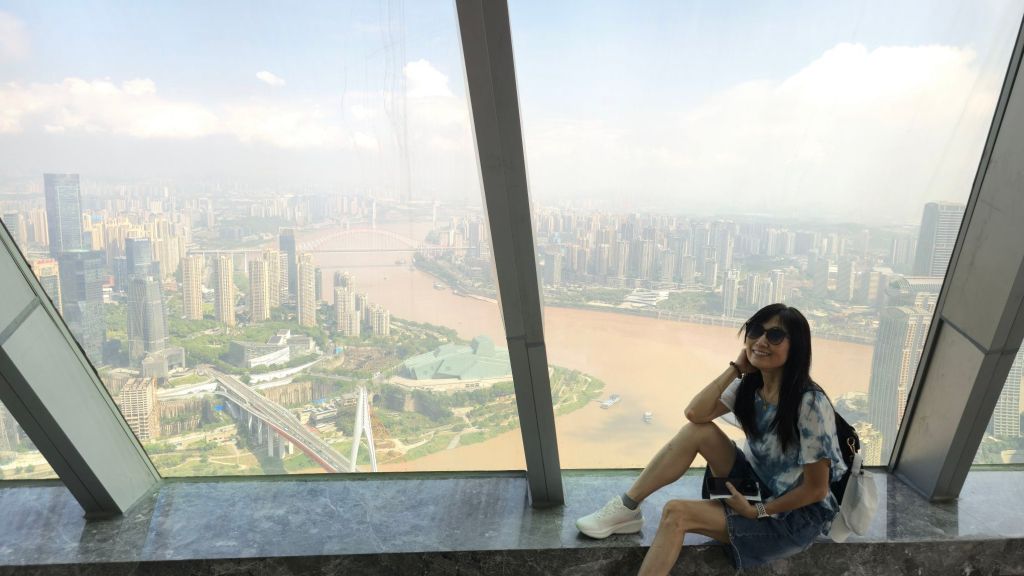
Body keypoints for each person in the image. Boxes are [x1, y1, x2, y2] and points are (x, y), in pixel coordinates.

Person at [575, 303, 847, 575]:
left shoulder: (809, 403)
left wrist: (758, 511)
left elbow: (816, 489)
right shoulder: (752, 386)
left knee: (676, 513)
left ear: (796, 346)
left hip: (794, 516)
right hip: (755, 488)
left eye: (775, 336)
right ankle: (627, 507)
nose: (761, 341)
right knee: (698, 432)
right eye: (755, 331)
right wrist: (735, 368)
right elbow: (695, 413)